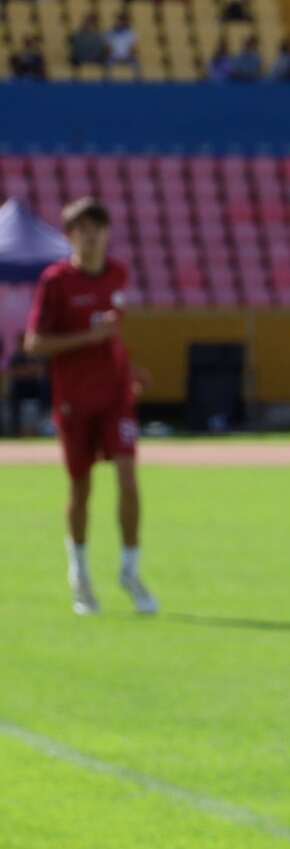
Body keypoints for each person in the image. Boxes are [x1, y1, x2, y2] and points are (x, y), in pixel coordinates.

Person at [23, 198, 156, 617]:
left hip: (115, 396)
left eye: (97, 226)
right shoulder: (56, 281)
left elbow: (110, 332)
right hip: (75, 399)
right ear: (70, 236)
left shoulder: (118, 273)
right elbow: (34, 343)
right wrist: (87, 341)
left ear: (108, 232)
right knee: (81, 489)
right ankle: (80, 576)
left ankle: (130, 571)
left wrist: (128, 364)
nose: (91, 234)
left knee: (129, 477)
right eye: (82, 228)